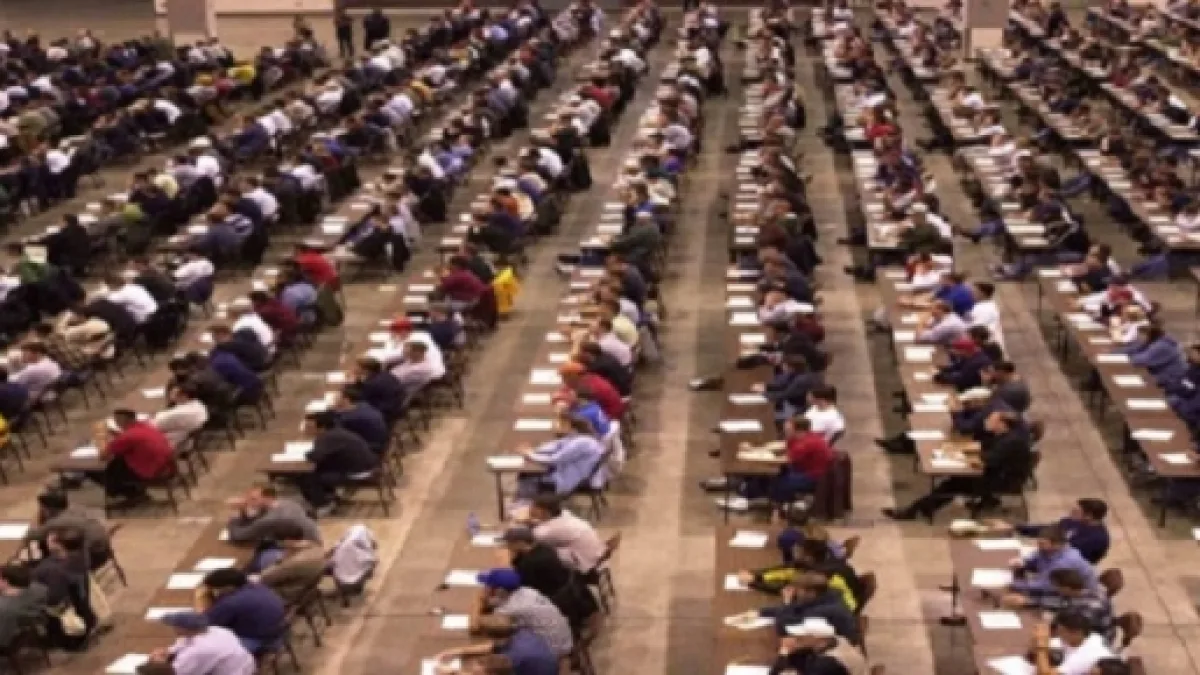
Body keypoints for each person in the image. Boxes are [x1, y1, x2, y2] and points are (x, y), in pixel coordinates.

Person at [883, 412, 1033, 521]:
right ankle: (922, 508)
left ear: (1002, 424)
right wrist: (958, 449)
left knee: (953, 484)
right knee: (952, 483)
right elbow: (982, 447)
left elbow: (988, 459)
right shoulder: (1005, 436)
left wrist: (962, 458)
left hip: (1002, 480)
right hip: (996, 473)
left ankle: (914, 511)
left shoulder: (1010, 442)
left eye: (991, 420)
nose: (987, 421)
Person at [472, 568, 574, 657]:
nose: (484, 588)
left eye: (488, 586)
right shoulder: (527, 591)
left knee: (499, 643)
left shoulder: (510, 609)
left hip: (552, 650)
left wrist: (480, 600)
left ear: (500, 591)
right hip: (564, 640)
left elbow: (475, 627)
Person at [297, 412, 380, 515]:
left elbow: (315, 456)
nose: (305, 429)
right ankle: (329, 496)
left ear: (321, 427)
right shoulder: (336, 432)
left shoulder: (327, 437)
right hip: (367, 465)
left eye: (309, 427)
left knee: (307, 476)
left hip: (359, 472)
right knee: (320, 469)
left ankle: (324, 504)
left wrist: (307, 454)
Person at [1002, 568, 1114, 642]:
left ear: (1066, 588)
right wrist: (1028, 601)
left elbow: (1075, 630)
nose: (1055, 589)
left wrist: (1050, 626)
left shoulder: (1091, 607)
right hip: (1079, 631)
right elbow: (1061, 602)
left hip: (1095, 639)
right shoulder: (1079, 592)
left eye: (1057, 586)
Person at [88, 409, 174, 504]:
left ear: (122, 420)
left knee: (97, 469)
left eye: (117, 420)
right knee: (119, 462)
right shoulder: (146, 427)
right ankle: (135, 492)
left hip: (152, 471)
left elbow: (104, 455)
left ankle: (130, 493)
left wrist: (102, 440)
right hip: (166, 466)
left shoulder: (128, 436)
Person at [197, 568, 287, 654]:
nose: (214, 591)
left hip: (256, 640)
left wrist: (201, 600)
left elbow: (204, 624)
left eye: (214, 588)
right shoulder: (258, 587)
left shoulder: (231, 602)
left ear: (228, 587)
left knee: (202, 645)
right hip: (276, 632)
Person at [517, 415, 607, 498]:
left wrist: (530, 455)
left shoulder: (581, 442)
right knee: (525, 475)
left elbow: (555, 460)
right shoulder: (576, 436)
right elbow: (556, 445)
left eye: (559, 423)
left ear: (568, 425)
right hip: (565, 474)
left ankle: (531, 505)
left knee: (525, 479)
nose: (556, 426)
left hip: (565, 481)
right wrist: (534, 450)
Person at [1006, 498, 1110, 565]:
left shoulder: (1096, 538)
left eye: (1076, 511)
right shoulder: (1073, 522)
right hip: (1052, 557)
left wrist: (1030, 559)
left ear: (1089, 516)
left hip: (1068, 568)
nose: (1071, 513)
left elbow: (1065, 552)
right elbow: (1049, 529)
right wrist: (1016, 527)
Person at [149, 611, 255, 675]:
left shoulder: (199, 650)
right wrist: (168, 651)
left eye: (175, 626)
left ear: (184, 628)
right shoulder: (217, 630)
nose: (173, 628)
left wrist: (159, 663)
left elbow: (175, 672)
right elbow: (184, 642)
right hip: (244, 665)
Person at [1009, 525, 1099, 598]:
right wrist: (1024, 562)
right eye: (1038, 543)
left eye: (1042, 544)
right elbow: (1036, 558)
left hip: (1077, 597)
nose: (1038, 546)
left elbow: (1045, 586)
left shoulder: (1065, 562)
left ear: (1057, 544)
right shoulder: (1047, 551)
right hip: (1055, 588)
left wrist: (1013, 584)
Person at [28, 490, 112, 569]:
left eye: (42, 509)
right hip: (104, 552)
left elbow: (32, 535)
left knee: (48, 547)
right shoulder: (75, 509)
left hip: (91, 558)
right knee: (59, 542)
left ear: (49, 509)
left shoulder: (57, 521)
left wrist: (36, 520)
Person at [524, 495, 606, 572]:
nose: (530, 509)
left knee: (533, 553)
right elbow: (547, 526)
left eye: (534, 507)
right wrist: (536, 523)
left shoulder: (553, 530)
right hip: (594, 555)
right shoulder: (564, 515)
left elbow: (535, 536)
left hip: (583, 563)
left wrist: (529, 520)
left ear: (545, 512)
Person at [225, 484, 322, 545]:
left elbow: (238, 536)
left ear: (269, 498)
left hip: (303, 551)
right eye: (248, 498)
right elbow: (254, 520)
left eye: (253, 499)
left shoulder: (270, 519)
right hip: (311, 542)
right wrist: (244, 509)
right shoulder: (287, 502)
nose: (248, 502)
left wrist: (234, 517)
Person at [768, 617, 868, 675]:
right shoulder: (835, 639)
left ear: (819, 639)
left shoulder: (826, 663)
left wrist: (784, 652)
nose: (796, 637)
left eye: (803, 635)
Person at [1030, 611, 1115, 675]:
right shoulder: (1086, 637)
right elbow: (1042, 645)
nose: (1058, 634)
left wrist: (1040, 646)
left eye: (1061, 631)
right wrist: (1040, 641)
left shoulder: (1084, 657)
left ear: (1076, 633)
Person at [0, 564, 48, 653]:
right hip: (34, 628)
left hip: (10, 641)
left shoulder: (4, 608)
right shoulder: (40, 589)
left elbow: (2, 639)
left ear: (5, 582)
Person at [333, 385, 389, 454]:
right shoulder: (363, 405)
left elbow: (336, 432)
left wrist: (335, 410)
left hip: (371, 449)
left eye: (337, 398)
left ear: (346, 400)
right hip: (380, 442)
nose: (334, 400)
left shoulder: (349, 418)